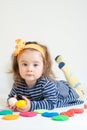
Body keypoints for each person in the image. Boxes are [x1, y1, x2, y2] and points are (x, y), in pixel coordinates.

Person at [7, 39, 84, 112]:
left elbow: (51, 103)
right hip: (56, 85)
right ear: (17, 67)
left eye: (35, 65)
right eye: (24, 64)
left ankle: (65, 68)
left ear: (44, 68)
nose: (29, 69)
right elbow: (11, 97)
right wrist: (12, 102)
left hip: (67, 92)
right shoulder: (18, 85)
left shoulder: (46, 84)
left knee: (80, 90)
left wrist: (31, 106)